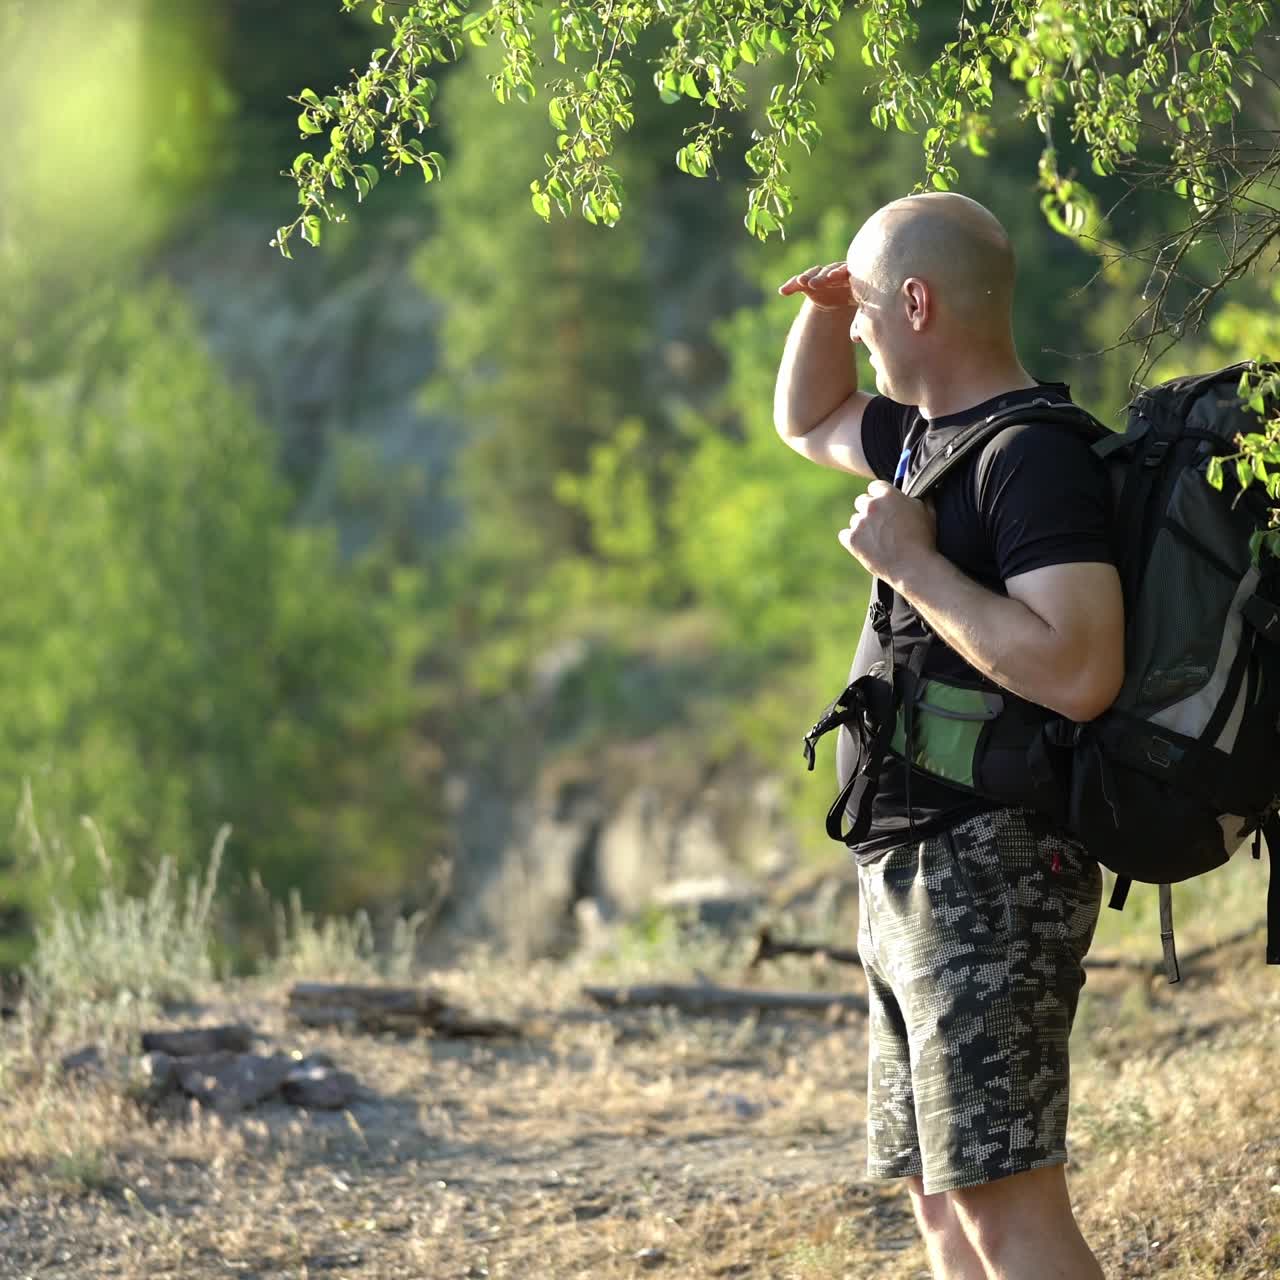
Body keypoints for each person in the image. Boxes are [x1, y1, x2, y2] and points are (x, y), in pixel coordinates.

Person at [773, 192, 1123, 1280]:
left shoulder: (1027, 458)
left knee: (1004, 1208)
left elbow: (1078, 668)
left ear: (916, 303)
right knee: (941, 1202)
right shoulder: (926, 437)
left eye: (873, 307)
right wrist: (831, 303)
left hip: (992, 866)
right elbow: (804, 417)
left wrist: (910, 567)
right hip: (911, 868)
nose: (863, 329)